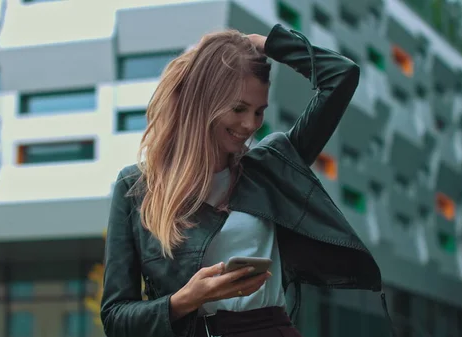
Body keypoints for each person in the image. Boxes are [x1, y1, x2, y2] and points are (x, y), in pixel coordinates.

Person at [101, 23, 387, 337]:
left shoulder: (272, 167)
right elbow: (116, 318)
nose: (250, 124)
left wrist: (268, 45)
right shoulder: (136, 188)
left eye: (259, 111)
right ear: (204, 103)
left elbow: (341, 76)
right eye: (238, 108)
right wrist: (186, 299)